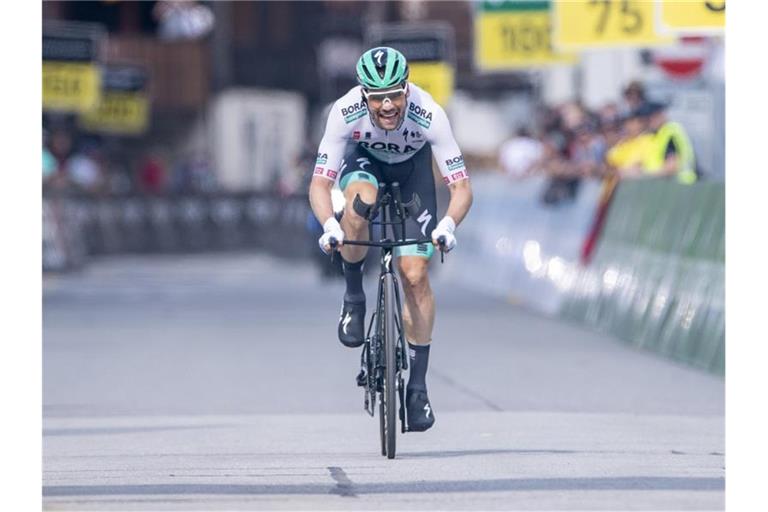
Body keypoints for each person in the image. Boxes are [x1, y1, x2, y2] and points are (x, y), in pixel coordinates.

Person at [308, 47, 473, 432]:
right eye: (376, 97)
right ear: (362, 93)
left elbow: (461, 187)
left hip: (413, 172)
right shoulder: (345, 111)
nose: (386, 106)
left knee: (414, 274)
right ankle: (353, 297)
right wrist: (329, 226)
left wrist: (448, 225)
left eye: (394, 95)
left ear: (407, 87)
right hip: (364, 162)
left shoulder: (429, 112)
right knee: (360, 201)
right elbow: (320, 184)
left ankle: (417, 387)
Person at [640, 102, 697, 184]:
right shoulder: (656, 135)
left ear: (660, 115)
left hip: (680, 185)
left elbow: (671, 167)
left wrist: (643, 174)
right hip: (668, 186)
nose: (648, 123)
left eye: (650, 119)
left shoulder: (670, 132)